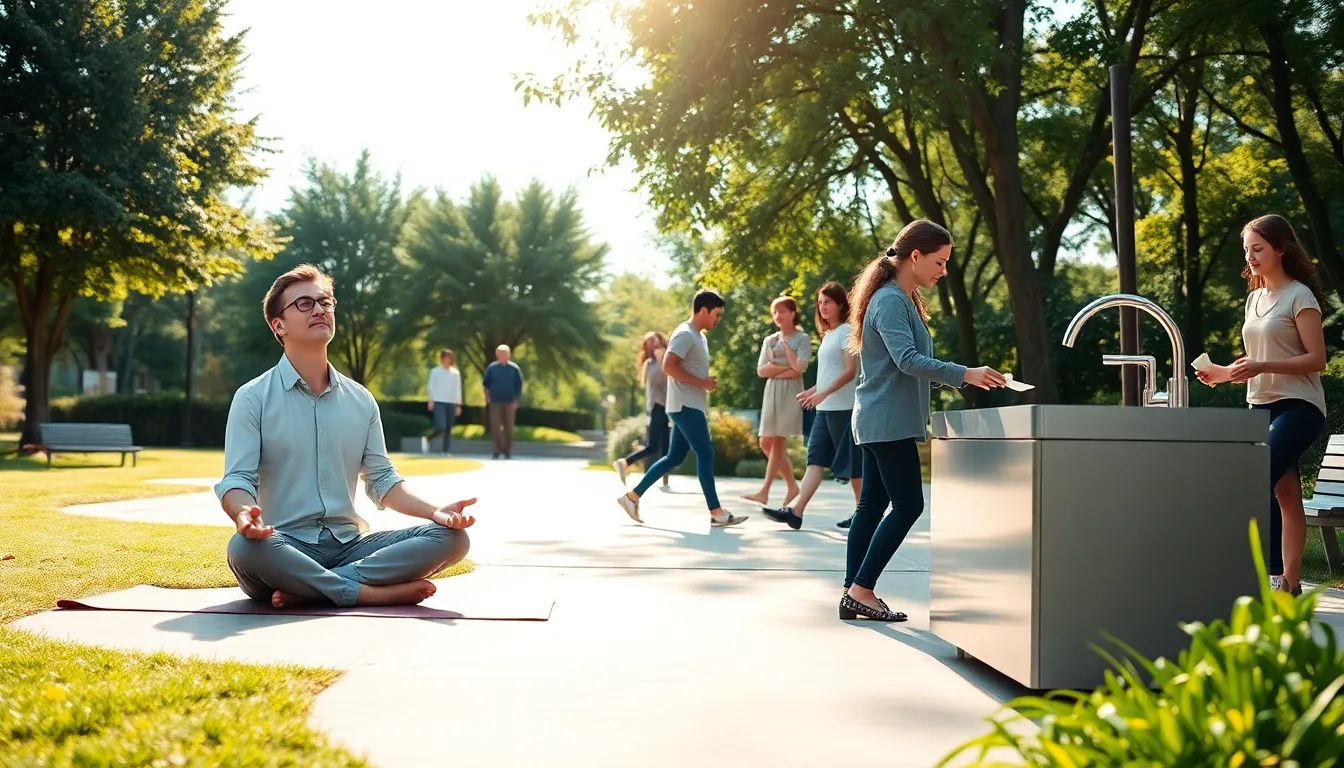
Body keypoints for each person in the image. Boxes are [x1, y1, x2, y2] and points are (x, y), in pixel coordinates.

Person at [217, 264, 476, 609]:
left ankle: (314, 589)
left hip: (349, 545)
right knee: (242, 547)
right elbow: (237, 479)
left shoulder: (361, 400)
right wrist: (243, 514)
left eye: (325, 302)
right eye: (305, 304)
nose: (320, 309)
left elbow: (382, 481)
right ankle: (366, 591)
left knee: (452, 539)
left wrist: (436, 511)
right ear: (279, 325)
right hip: (282, 546)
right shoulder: (252, 398)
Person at [840, 221, 1005, 622]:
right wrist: (965, 373)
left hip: (879, 418)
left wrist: (958, 378)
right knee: (908, 504)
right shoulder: (892, 300)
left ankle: (851, 593)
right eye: (940, 261)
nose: (943, 271)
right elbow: (907, 361)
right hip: (887, 420)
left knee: (873, 505)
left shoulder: (897, 298)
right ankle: (861, 590)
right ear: (915, 256)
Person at [1195, 214, 1327, 596]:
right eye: (1247, 250)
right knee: (1285, 495)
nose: (1250, 257)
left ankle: (1274, 580)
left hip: (1298, 406)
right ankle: (1292, 583)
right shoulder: (1255, 298)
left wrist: (1262, 365)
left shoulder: (1299, 296)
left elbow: (1317, 359)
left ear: (1280, 248)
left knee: (1256, 478)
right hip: (1260, 404)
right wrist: (1224, 373)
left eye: (1258, 248)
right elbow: (1258, 356)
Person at [616, 290, 747, 528]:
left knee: (674, 456)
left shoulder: (699, 336)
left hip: (689, 404)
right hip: (685, 405)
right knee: (705, 453)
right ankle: (716, 512)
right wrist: (701, 383)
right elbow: (668, 366)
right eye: (717, 314)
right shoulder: (685, 334)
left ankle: (632, 498)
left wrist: (702, 382)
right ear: (703, 310)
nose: (719, 319)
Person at [763, 283, 862, 530]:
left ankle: (864, 514)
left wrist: (824, 392)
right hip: (824, 409)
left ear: (840, 304)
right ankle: (796, 512)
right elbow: (829, 374)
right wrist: (813, 391)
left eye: (828, 302)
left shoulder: (849, 332)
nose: (823, 307)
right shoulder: (828, 335)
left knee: (853, 467)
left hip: (843, 408)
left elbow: (851, 372)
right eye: (820, 303)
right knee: (814, 461)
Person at [741, 297, 812, 507]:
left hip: (791, 393)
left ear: (792, 313)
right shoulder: (769, 340)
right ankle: (791, 485)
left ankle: (764, 491)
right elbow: (762, 370)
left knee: (778, 441)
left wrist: (780, 364)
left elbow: (799, 368)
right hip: (771, 392)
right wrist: (785, 370)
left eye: (782, 311)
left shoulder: (802, 338)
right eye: (775, 312)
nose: (778, 316)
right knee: (765, 441)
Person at [613, 331, 672, 491]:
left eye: (654, 339)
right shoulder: (652, 364)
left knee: (666, 446)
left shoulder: (669, 357)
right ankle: (626, 462)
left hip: (669, 407)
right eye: (649, 342)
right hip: (658, 407)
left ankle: (665, 479)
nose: (652, 343)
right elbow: (662, 377)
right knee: (653, 446)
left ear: (660, 339)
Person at [483, 344, 524, 459]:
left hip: (510, 402)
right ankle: (496, 450)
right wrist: (487, 397)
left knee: (509, 428)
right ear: (497, 356)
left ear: (509, 355)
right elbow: (486, 384)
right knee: (495, 426)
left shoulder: (514, 369)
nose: (503, 356)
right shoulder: (492, 368)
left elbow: (519, 386)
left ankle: (507, 450)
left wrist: (516, 401)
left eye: (505, 354)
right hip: (495, 401)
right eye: (500, 354)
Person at [426, 348, 462, 455]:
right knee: (441, 426)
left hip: (451, 402)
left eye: (449, 358)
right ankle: (429, 438)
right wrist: (431, 400)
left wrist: (458, 404)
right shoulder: (435, 371)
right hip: (439, 401)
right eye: (445, 358)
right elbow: (431, 386)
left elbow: (458, 388)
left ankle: (445, 450)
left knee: (448, 427)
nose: (447, 360)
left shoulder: (455, 373)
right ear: (442, 359)